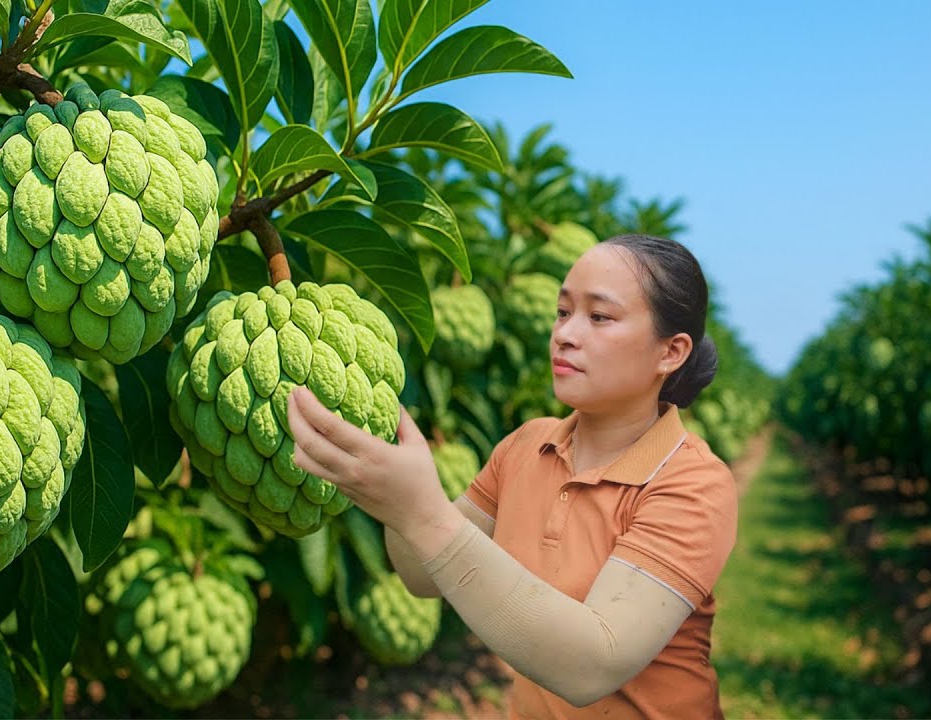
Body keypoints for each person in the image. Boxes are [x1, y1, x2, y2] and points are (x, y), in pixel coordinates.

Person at [287, 234, 739, 719]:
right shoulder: (527, 445)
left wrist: (423, 513)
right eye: (562, 312)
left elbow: (591, 666)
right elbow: (422, 574)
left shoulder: (693, 482)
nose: (565, 334)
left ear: (670, 352)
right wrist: (387, 492)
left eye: (599, 316)